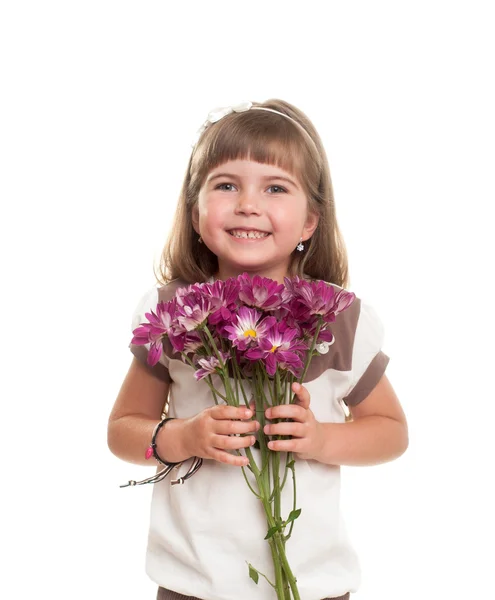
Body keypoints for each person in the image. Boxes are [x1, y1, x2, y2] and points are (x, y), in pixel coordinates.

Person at [107, 99, 409, 600]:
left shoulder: (338, 319)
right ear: (196, 210)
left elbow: (393, 433)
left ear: (311, 221)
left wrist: (320, 439)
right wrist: (181, 438)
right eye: (226, 185)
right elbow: (121, 432)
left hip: (312, 587)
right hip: (193, 585)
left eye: (275, 187)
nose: (248, 203)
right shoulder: (171, 314)